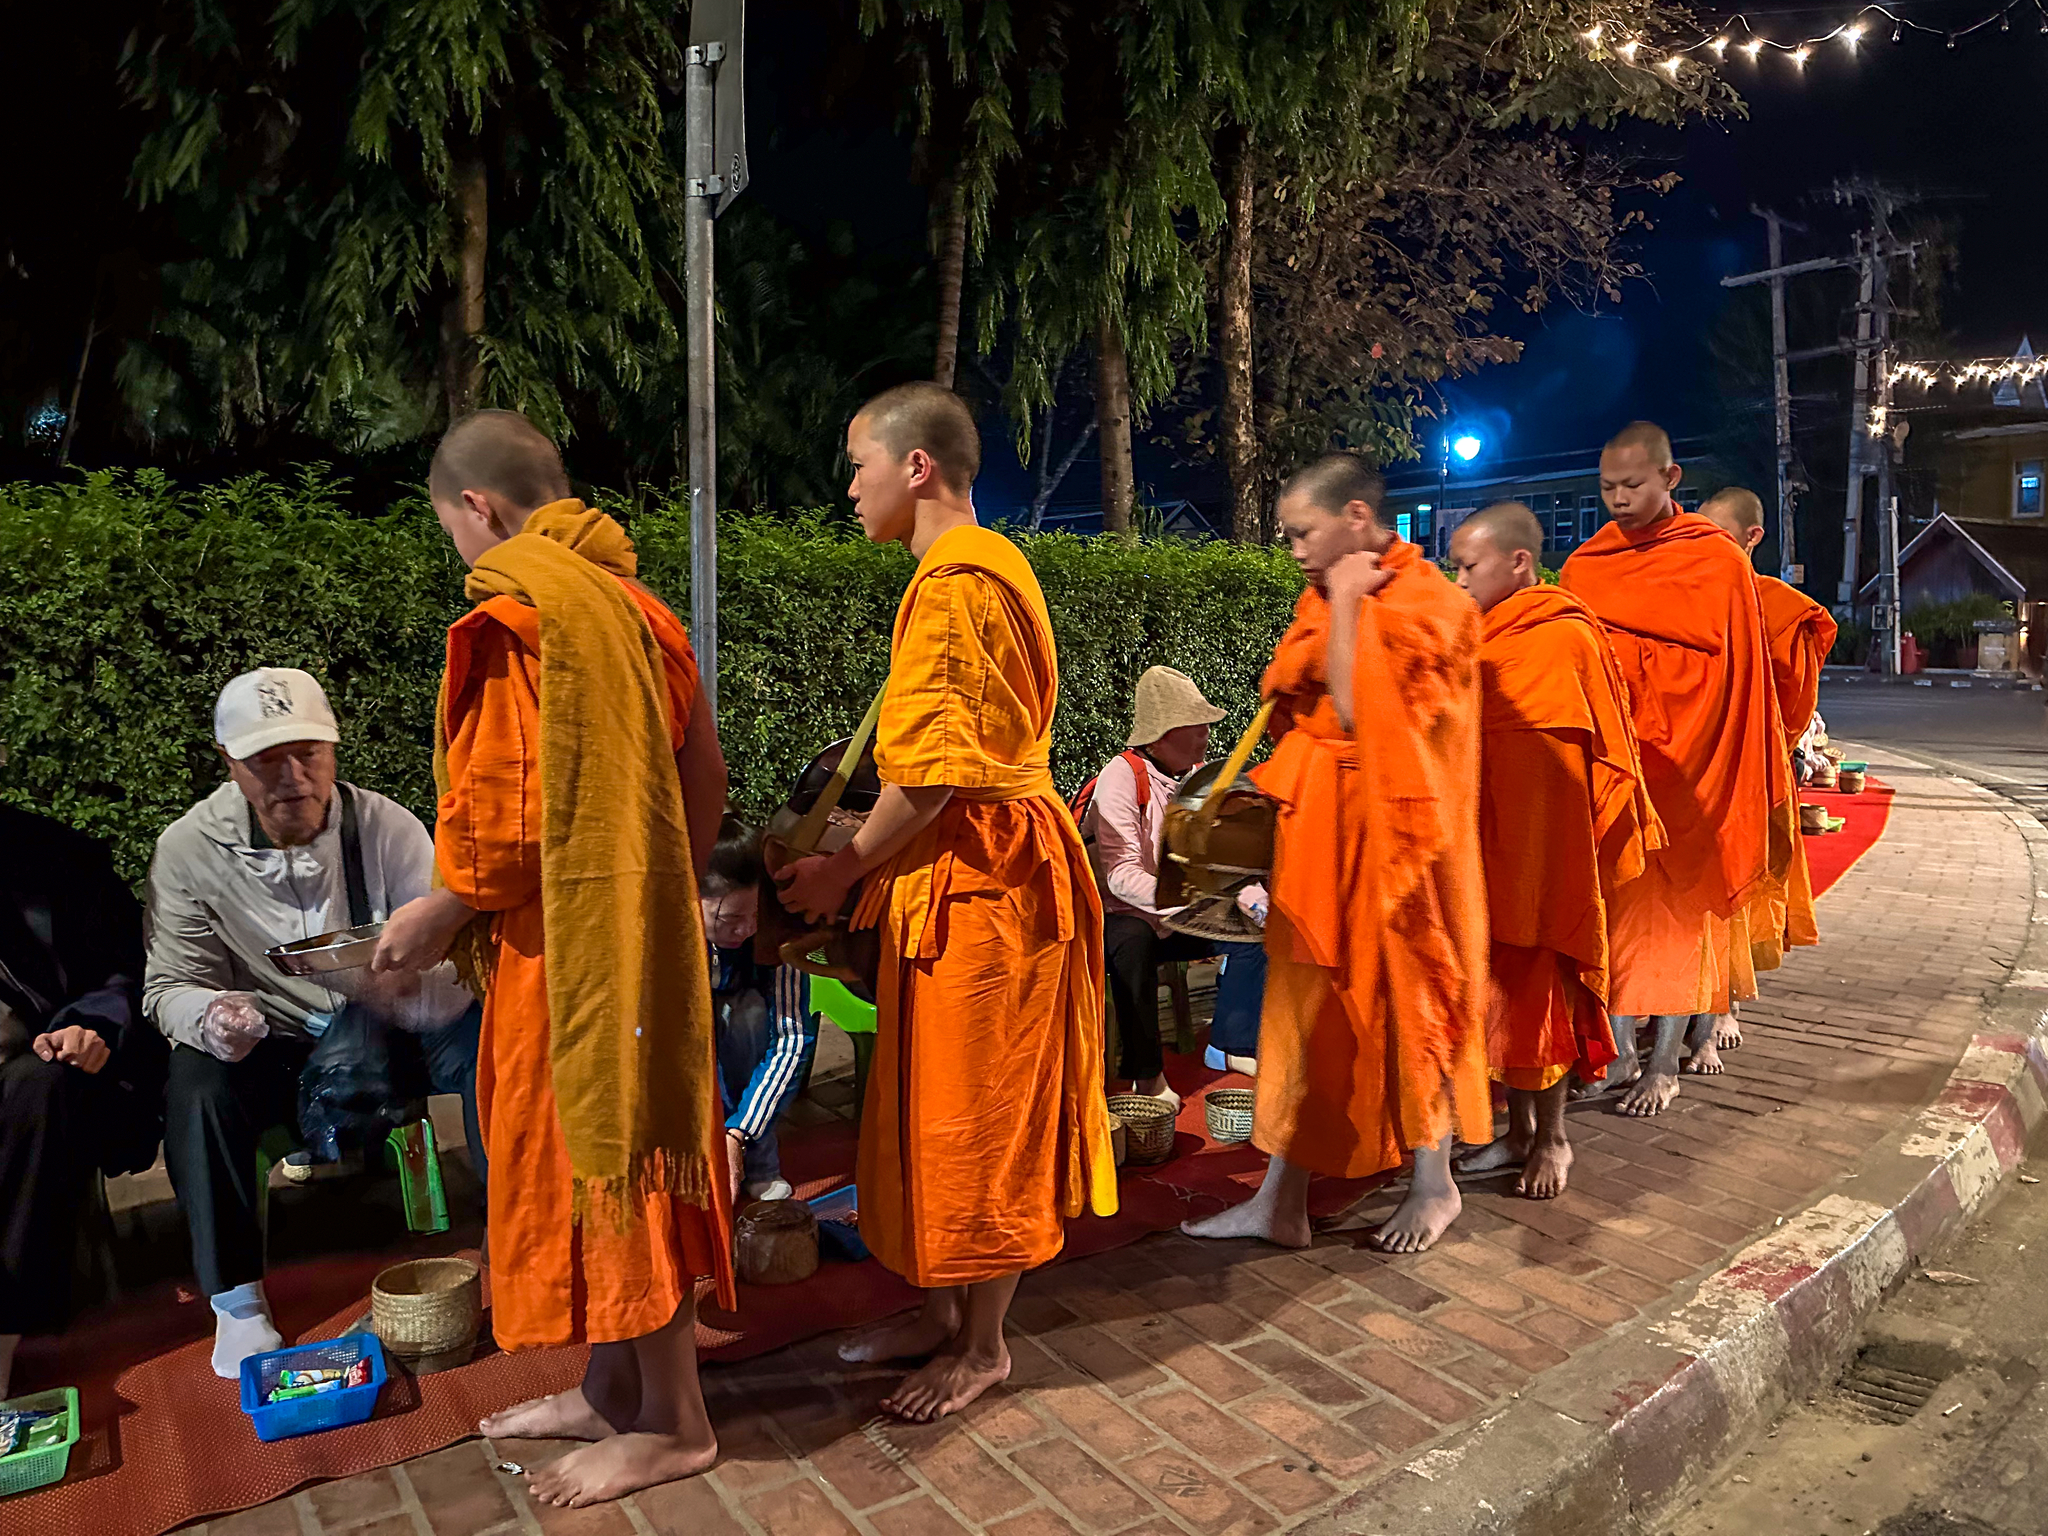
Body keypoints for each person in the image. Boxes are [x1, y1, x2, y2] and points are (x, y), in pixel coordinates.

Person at [372, 410, 733, 1508]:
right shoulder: (635, 611)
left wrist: (443, 908)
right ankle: (611, 1384)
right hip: (636, 932)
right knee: (618, 1147)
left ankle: (674, 1423)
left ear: (476, 506)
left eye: (453, 533)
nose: (465, 557)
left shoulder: (521, 618)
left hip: (567, 952)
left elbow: (508, 822)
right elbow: (702, 782)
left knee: (605, 1153)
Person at [777, 381, 1117, 1422]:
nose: (849, 487)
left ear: (914, 465)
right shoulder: (975, 567)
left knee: (980, 1113)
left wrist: (840, 867)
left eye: (857, 463)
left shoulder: (960, 582)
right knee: (934, 1109)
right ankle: (937, 1309)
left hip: (993, 884)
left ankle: (983, 1345)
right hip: (971, 871)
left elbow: (929, 777)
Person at [1182, 452, 1491, 1255]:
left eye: (1300, 532)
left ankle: (1436, 1182)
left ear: (1357, 517)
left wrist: (1351, 600)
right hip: (1322, 836)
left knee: (1409, 1003)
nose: (1291, 550)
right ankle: (1281, 1200)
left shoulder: (1433, 602)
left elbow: (1363, 717)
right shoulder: (1324, 597)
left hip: (1400, 846)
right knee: (1304, 1018)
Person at [145, 668, 484, 1379]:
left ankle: (524, 1231)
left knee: (489, 1038)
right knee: (195, 1082)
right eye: (266, 760)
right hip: (274, 1040)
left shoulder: (384, 826)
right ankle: (235, 1300)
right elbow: (169, 985)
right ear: (229, 765)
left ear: (333, 750)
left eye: (309, 752)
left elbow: (451, 964)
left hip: (391, 1021)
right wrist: (210, 1016)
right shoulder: (188, 850)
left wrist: (409, 976)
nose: (292, 778)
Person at [1559, 425, 1789, 1116]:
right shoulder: (1588, 563)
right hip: (1621, 769)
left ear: (1671, 478)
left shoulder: (1713, 561)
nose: (1620, 499)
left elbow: (1735, 675)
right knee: (1623, 917)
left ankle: (1665, 1065)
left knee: (1682, 920)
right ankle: (1622, 1048)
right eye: (1607, 487)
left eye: (1634, 485)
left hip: (1694, 768)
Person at [1446, 504, 1659, 1198]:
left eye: (1468, 566)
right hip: (1482, 846)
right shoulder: (1474, 635)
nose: (1458, 579)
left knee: (1542, 999)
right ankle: (1513, 1135)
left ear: (1517, 563)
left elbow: (1586, 759)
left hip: (1546, 856)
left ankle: (1554, 1139)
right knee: (1496, 1001)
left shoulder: (1562, 636)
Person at [0, 806, 162, 1399]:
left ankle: (7, 1334)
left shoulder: (57, 856)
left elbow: (126, 969)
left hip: (54, 1072)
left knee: (37, 1089)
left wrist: (90, 1025)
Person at [1693, 487, 1837, 1070]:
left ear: (1752, 538)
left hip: (1752, 761)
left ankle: (1725, 998)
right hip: (1691, 761)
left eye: (1717, 537)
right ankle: (1676, 997)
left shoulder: (1777, 607)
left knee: (1742, 879)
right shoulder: (1683, 597)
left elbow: (1795, 705)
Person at [1084, 665, 1226, 1106]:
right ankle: (1146, 1075)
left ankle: (1234, 1042)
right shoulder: (1121, 776)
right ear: (1162, 734)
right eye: (1195, 724)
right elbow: (1120, 875)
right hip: (1120, 916)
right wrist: (1181, 899)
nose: (1206, 732)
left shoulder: (1199, 776)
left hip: (1178, 913)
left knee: (1261, 929)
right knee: (1133, 942)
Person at [700, 815, 818, 1204]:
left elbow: (793, 1037)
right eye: (730, 919)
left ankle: (759, 1162)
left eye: (753, 916)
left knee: (746, 1014)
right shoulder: (665, 936)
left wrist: (740, 1132)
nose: (745, 930)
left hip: (746, 1046)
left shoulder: (775, 935)